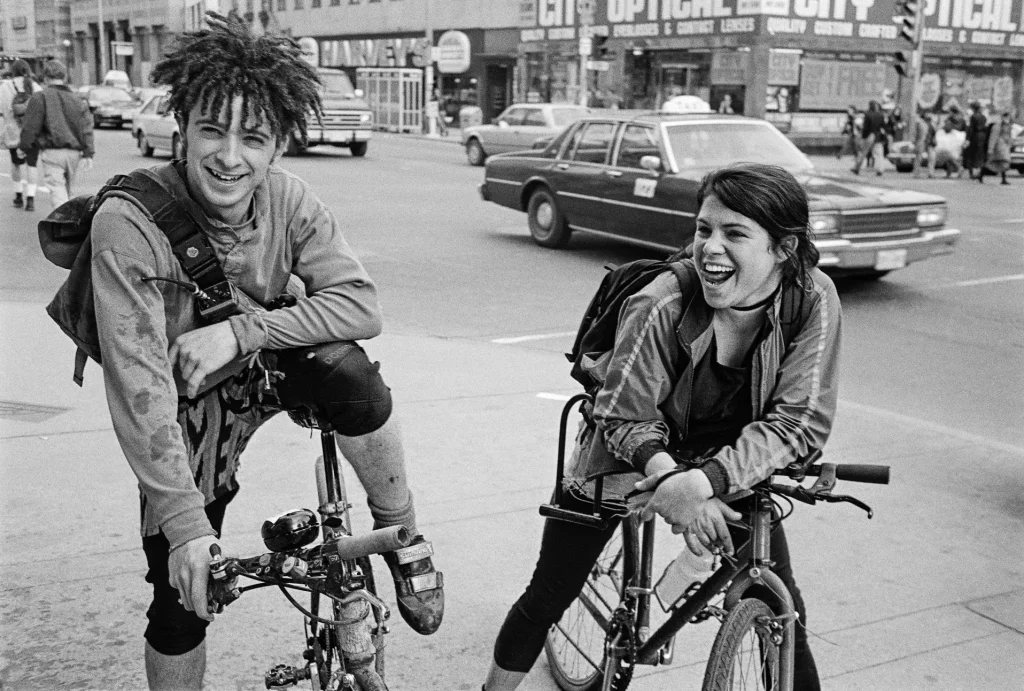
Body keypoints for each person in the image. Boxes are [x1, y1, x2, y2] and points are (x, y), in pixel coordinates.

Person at [84, 14, 444, 690]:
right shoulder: (127, 223)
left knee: (352, 372)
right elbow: (141, 390)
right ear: (182, 123)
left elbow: (360, 306)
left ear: (277, 146)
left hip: (265, 365)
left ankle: (405, 536)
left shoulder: (289, 199)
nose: (229, 157)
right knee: (180, 597)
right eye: (213, 130)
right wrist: (187, 528)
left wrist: (243, 331)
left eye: (254, 138)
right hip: (186, 400)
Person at [482, 163, 841, 691]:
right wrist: (672, 477)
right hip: (630, 453)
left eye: (735, 234)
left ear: (783, 248)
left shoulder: (811, 297)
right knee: (551, 592)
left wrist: (705, 482)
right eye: (704, 230)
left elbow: (801, 419)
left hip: (730, 461)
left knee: (781, 604)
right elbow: (621, 413)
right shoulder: (662, 301)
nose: (710, 248)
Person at [18, 59, 94, 210]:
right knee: (70, 192)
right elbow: (86, 128)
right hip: (74, 153)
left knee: (57, 190)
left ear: (45, 78)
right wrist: (88, 153)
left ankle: (63, 226)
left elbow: (31, 126)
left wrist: (24, 146)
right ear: (65, 77)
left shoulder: (40, 97)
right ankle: (72, 222)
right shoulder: (78, 100)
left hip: (52, 151)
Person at [0, 59, 43, 211]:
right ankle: (30, 199)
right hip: (32, 131)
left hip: (13, 131)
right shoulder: (35, 86)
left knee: (16, 163)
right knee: (32, 164)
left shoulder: (5, 87)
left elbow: (2, 109)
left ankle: (18, 195)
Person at [978, 111, 1013, 185]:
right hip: (998, 148)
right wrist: (990, 149)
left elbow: (1009, 136)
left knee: (1002, 162)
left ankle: (1003, 179)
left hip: (1004, 147)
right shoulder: (997, 126)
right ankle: (981, 174)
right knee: (999, 162)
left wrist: (1010, 144)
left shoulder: (1008, 125)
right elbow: (993, 138)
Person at [852, 100, 886, 176]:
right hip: (878, 136)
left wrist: (863, 137)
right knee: (879, 154)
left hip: (869, 136)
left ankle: (857, 168)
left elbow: (866, 127)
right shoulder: (880, 115)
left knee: (863, 153)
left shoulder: (867, 114)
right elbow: (883, 126)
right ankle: (880, 169)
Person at [962, 101, 988, 180]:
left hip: (975, 137)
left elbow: (971, 129)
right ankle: (979, 172)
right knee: (980, 155)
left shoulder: (973, 116)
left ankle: (972, 173)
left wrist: (967, 139)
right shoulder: (983, 117)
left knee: (971, 155)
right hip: (982, 137)